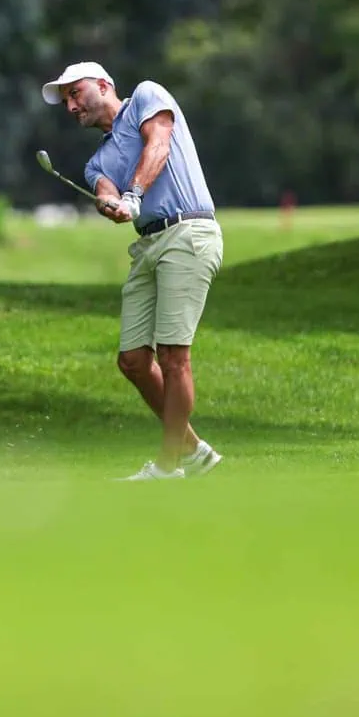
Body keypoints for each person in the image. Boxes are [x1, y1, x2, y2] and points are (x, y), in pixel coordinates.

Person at [42, 61, 225, 480]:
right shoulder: (96, 162)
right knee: (133, 361)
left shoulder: (146, 95)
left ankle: (168, 466)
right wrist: (110, 204)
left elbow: (158, 145)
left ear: (103, 84)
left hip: (188, 232)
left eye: (75, 93)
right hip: (147, 245)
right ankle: (194, 451)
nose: (71, 106)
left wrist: (134, 195)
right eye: (66, 101)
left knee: (173, 356)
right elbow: (105, 189)